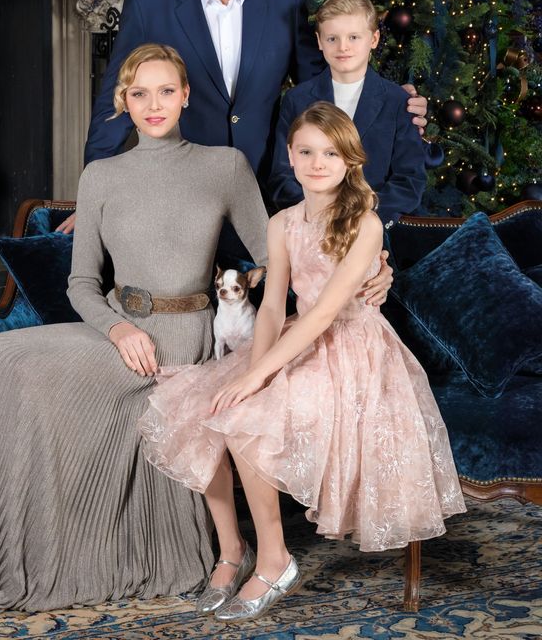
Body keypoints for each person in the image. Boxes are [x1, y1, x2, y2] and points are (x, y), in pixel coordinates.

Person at [0, 43, 270, 611]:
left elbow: (271, 257)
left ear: (186, 96)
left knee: (24, 368)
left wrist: (356, 265)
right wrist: (119, 330)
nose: (153, 104)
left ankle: (190, 549)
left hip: (185, 337)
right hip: (119, 331)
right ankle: (23, 547)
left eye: (165, 91)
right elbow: (81, 284)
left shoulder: (223, 166)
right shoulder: (102, 175)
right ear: (124, 102)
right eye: (139, 94)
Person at [138, 102, 466, 623]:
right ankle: (231, 550)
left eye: (330, 153)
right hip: (296, 337)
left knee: (245, 418)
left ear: (349, 159)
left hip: (353, 349)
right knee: (201, 406)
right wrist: (253, 363)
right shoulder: (283, 223)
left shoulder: (365, 223)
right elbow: (273, 306)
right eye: (307, 152)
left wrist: (258, 376)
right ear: (290, 156)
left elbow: (325, 316)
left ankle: (276, 559)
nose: (317, 162)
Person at [61, 0, 425, 303]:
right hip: (185, 193)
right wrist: (93, 194)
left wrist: (393, 99)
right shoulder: (149, 6)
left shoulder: (286, 2)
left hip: (265, 192)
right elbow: (117, 100)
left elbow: (320, 95)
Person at [269, 0, 426, 228]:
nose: (343, 47)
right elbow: (282, 175)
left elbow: (409, 180)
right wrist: (318, 216)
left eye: (354, 37)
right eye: (332, 38)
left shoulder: (399, 101)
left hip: (372, 229)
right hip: (310, 226)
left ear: (373, 39)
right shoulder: (296, 100)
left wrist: (360, 219)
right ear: (319, 41)